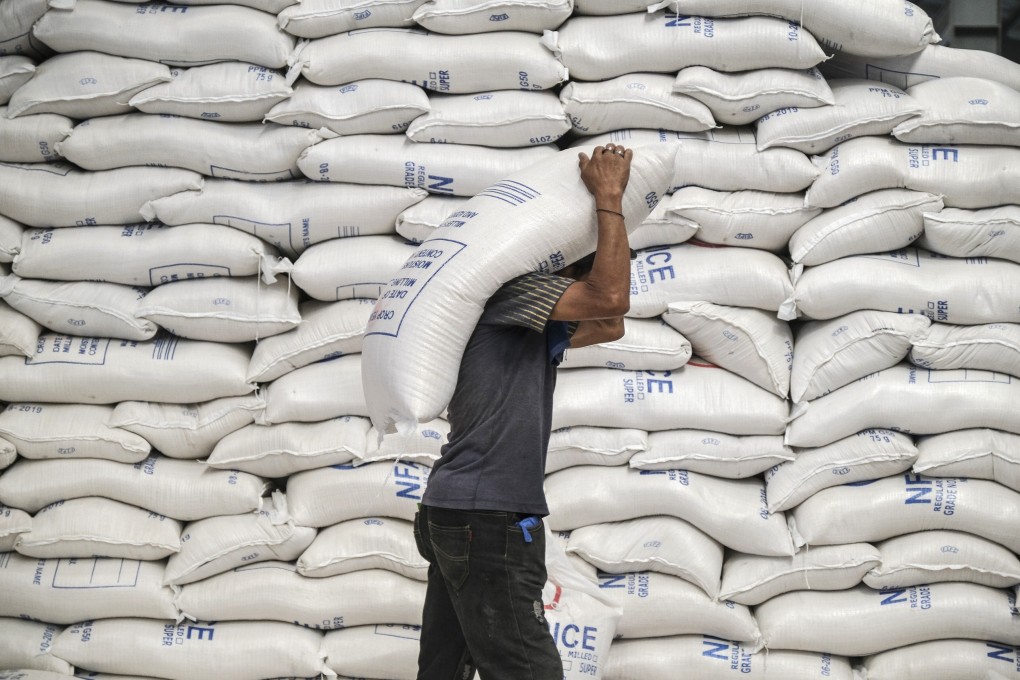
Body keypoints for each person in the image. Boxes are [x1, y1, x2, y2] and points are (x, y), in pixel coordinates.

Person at [413, 142, 634, 680]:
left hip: (459, 512)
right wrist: (608, 200)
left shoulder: (531, 325)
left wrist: (593, 238)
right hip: (486, 520)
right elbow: (609, 298)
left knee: (445, 669)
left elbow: (609, 324)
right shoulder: (510, 295)